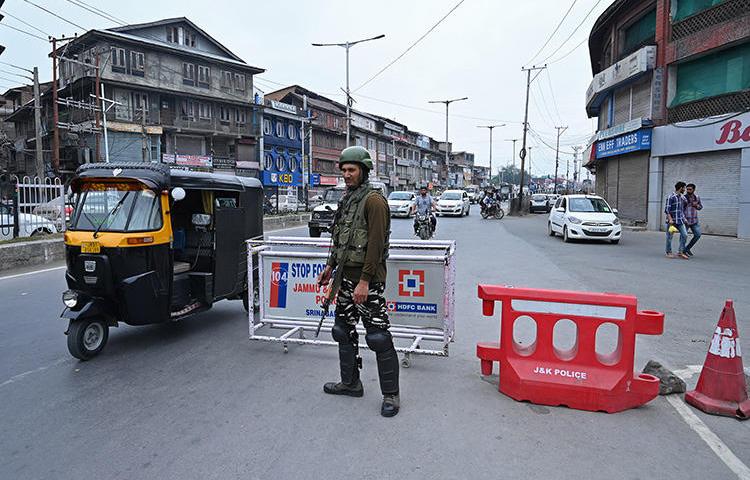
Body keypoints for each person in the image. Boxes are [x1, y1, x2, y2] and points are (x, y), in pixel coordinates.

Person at [316, 146, 400, 417]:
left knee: (378, 336)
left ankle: (391, 395)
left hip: (368, 281)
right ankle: (350, 383)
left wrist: (365, 281)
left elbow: (376, 246)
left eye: (351, 170)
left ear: (363, 171)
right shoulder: (348, 199)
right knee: (342, 330)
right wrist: (330, 267)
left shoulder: (374, 201)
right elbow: (339, 238)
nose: (347, 174)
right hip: (344, 279)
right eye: (344, 170)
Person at [664, 181, 689, 259]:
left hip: (680, 220)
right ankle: (669, 252)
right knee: (669, 237)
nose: (685, 190)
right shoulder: (670, 197)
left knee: (684, 235)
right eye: (684, 188)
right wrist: (670, 219)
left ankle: (680, 252)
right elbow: (667, 210)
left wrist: (684, 218)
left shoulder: (682, 197)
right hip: (672, 222)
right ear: (681, 188)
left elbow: (682, 209)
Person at [683, 183, 703, 256]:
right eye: (687, 189)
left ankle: (687, 249)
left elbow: (700, 207)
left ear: (694, 190)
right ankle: (681, 251)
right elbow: (680, 209)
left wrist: (696, 205)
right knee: (683, 236)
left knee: (698, 235)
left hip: (694, 220)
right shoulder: (683, 198)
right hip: (685, 221)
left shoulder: (697, 197)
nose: (688, 191)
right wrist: (683, 219)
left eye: (690, 189)